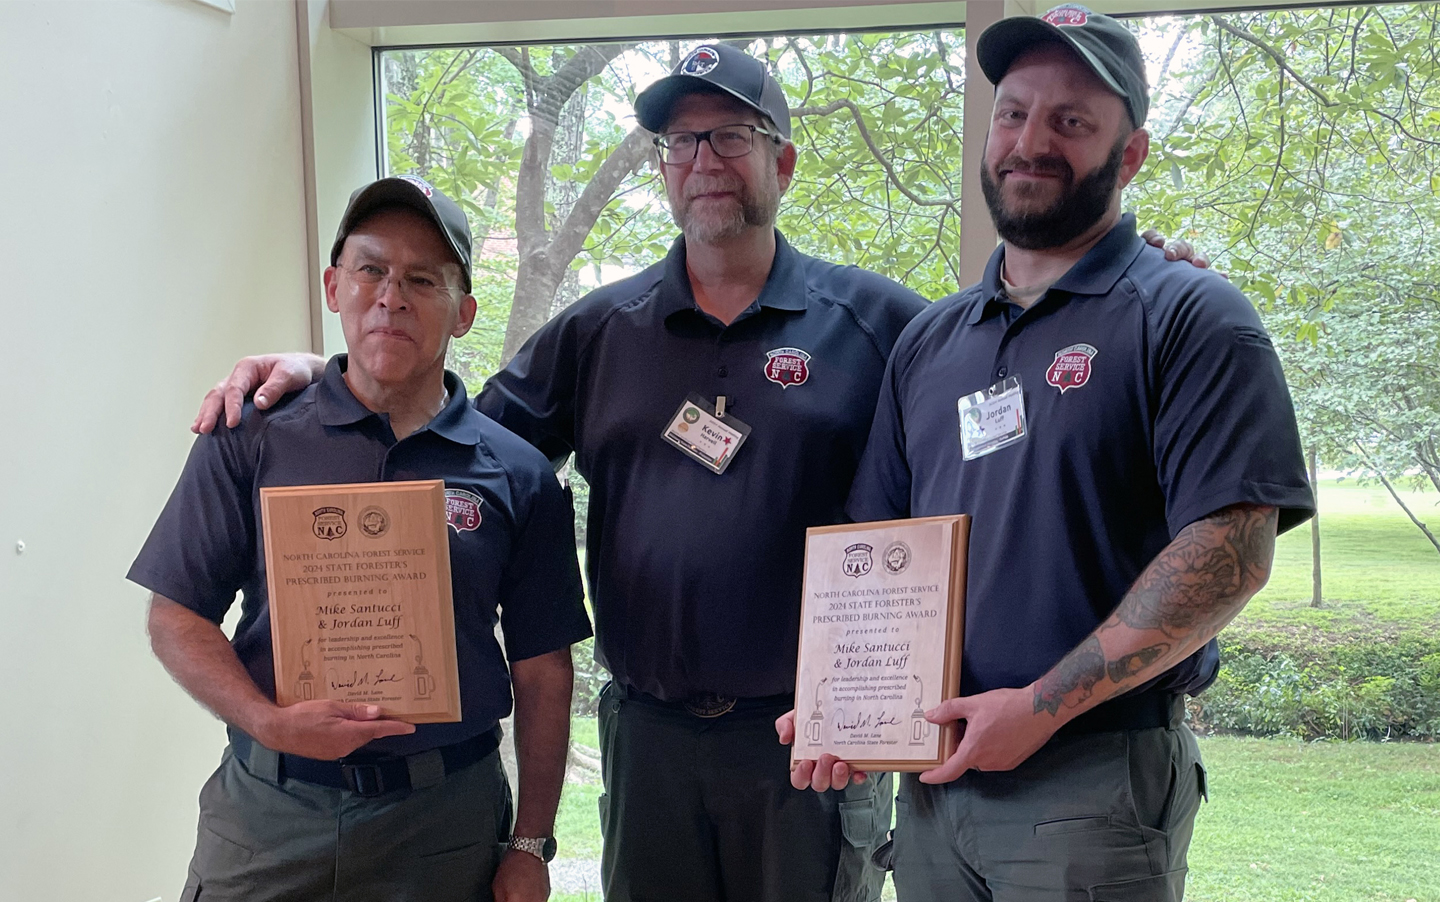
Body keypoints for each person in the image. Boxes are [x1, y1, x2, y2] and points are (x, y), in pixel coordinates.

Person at [190, 44, 1214, 902]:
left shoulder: (885, 323)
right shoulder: (597, 330)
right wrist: (324, 369)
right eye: (682, 141)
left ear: (785, 163)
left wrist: (1129, 275)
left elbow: (1016, 364)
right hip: (652, 738)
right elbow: (446, 443)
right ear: (662, 169)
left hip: (811, 742)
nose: (705, 159)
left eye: (732, 134)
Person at [782, 7, 1314, 901]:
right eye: (1014, 112)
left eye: (1071, 121)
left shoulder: (1191, 315)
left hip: (1092, 780)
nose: (1031, 142)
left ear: (1130, 152)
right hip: (936, 779)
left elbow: (1233, 553)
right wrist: (843, 701)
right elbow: (879, 545)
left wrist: (1038, 709)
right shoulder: (931, 340)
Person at [130, 176, 592, 902]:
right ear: (333, 285)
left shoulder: (519, 472)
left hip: (444, 825)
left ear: (463, 312)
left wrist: (531, 842)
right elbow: (174, 616)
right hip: (268, 815)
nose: (391, 296)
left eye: (422, 279)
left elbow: (543, 670)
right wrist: (267, 721)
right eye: (371, 269)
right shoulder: (250, 438)